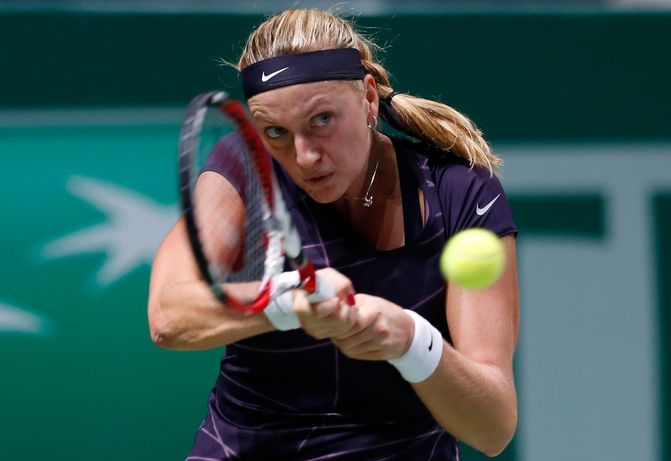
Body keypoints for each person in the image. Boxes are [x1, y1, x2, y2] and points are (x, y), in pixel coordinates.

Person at [148, 8, 519, 461]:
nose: (304, 156)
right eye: (276, 132)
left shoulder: (458, 190)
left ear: (367, 97)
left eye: (322, 120)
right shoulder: (244, 169)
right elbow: (169, 315)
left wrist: (410, 340)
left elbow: (494, 426)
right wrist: (288, 301)